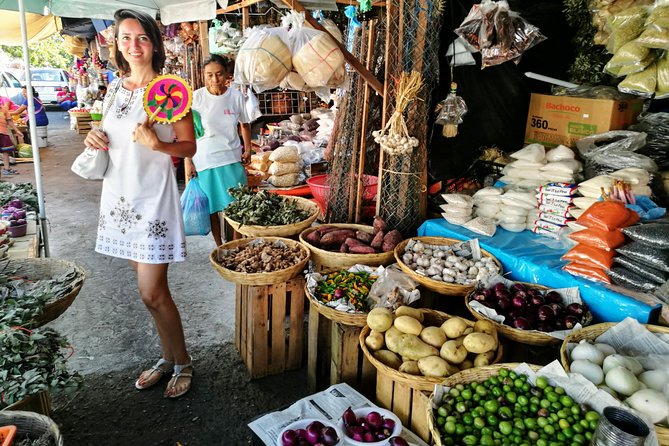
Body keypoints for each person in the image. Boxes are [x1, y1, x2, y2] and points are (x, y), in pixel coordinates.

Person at [83, 8, 196, 399]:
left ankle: (182, 361)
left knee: (153, 292)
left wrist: (159, 144)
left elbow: (188, 145)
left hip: (153, 201)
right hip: (119, 199)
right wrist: (94, 137)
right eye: (126, 38)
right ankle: (167, 358)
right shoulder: (115, 88)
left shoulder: (169, 88)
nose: (134, 45)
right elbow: (109, 133)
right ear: (117, 44)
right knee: (146, 291)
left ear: (154, 43)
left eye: (142, 37)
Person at [186, 54, 252, 246]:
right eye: (209, 75)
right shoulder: (196, 98)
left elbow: (244, 125)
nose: (215, 80)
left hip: (231, 158)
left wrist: (248, 149)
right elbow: (189, 133)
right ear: (203, 75)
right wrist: (188, 162)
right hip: (205, 159)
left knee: (238, 205)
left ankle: (236, 244)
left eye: (219, 74)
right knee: (212, 207)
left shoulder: (236, 97)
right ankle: (220, 246)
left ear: (227, 75)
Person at [0, 97, 23, 176]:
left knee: (5, 151)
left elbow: (9, 120)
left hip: (4, 133)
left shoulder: (4, 109)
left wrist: (17, 130)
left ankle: (7, 169)